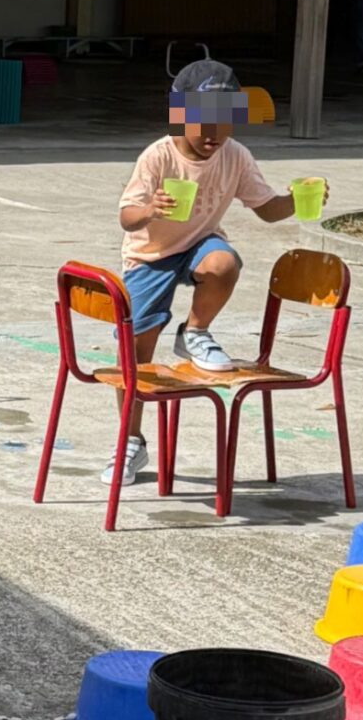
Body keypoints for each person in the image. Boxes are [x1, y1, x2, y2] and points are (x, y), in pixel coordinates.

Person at [107, 61, 328, 486]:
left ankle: (195, 331)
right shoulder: (158, 155)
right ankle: (130, 441)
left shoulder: (235, 156)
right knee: (134, 356)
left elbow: (267, 210)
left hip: (199, 244)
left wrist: (296, 199)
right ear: (179, 115)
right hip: (150, 255)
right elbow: (126, 216)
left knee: (224, 262)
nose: (214, 134)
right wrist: (151, 209)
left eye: (225, 122)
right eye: (204, 122)